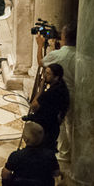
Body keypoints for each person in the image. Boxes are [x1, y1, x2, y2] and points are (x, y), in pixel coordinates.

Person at [36, 24, 75, 161]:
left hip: (59, 92)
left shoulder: (57, 54)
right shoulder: (79, 54)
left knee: (61, 122)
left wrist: (40, 45)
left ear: (63, 37)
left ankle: (64, 153)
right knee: (71, 122)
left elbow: (41, 62)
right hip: (75, 92)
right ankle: (71, 150)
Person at [25, 63, 69, 151]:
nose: (44, 76)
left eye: (48, 74)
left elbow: (34, 106)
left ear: (56, 77)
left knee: (38, 151)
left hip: (46, 129)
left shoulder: (52, 92)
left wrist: (41, 90)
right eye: (45, 72)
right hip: (52, 125)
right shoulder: (62, 86)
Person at [2, 122, 60, 186]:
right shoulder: (50, 155)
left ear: (25, 139)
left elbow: (6, 174)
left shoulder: (15, 156)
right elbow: (56, 173)